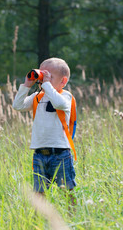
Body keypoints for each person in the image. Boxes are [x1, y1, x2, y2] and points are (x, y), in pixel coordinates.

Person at [12, 57, 77, 204]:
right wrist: (27, 85)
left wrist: (47, 85)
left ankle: (72, 216)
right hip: (40, 154)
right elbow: (18, 106)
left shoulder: (65, 96)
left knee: (67, 190)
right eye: (42, 75)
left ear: (63, 81)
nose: (43, 79)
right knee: (39, 192)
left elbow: (59, 104)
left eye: (50, 76)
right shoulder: (38, 96)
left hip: (60, 153)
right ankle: (39, 221)